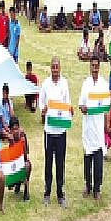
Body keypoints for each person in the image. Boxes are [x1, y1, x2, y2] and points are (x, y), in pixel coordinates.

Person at [38, 57, 71, 207]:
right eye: (53, 67)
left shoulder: (64, 83)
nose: (55, 69)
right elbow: (41, 102)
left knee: (60, 162)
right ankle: (47, 192)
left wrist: (69, 111)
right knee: (48, 162)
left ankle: (60, 193)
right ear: (50, 68)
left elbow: (67, 103)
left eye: (57, 67)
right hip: (49, 131)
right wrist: (43, 110)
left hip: (61, 130)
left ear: (60, 68)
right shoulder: (46, 84)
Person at [78, 56, 109, 200]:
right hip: (88, 126)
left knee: (98, 159)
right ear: (90, 67)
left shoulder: (104, 84)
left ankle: (97, 188)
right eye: (93, 65)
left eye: (97, 65)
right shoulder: (86, 84)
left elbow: (106, 106)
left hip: (98, 126)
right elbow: (81, 104)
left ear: (99, 67)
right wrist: (83, 108)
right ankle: (88, 185)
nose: (95, 68)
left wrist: (106, 125)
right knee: (87, 158)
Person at [9, 116, 31, 201]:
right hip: (14, 163)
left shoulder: (23, 136)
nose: (15, 131)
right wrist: (12, 142)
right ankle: (16, 183)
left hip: (22, 161)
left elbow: (25, 156)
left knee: (27, 165)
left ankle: (26, 189)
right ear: (10, 130)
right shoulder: (10, 138)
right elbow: (11, 157)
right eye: (13, 129)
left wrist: (23, 143)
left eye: (16, 129)